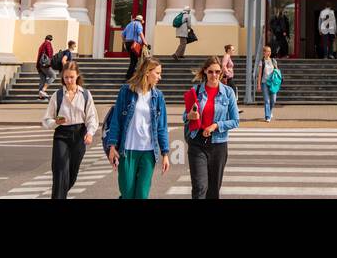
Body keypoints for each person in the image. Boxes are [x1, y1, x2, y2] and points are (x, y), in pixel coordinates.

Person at [103, 55, 170, 199]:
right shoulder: (126, 92)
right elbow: (116, 121)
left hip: (148, 152)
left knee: (142, 195)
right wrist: (112, 146)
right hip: (127, 151)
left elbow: (162, 127)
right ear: (147, 72)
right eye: (157, 73)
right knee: (127, 193)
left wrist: (165, 153)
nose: (160, 77)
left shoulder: (158, 96)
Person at [183, 56, 240, 199]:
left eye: (217, 72)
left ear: (221, 73)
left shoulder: (228, 92)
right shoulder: (195, 91)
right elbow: (185, 116)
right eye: (210, 72)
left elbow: (235, 120)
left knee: (214, 190)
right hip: (197, 142)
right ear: (205, 72)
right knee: (200, 187)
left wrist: (216, 125)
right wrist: (189, 116)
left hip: (218, 145)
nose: (214, 75)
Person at [43, 62, 99, 200]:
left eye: (71, 77)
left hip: (80, 135)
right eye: (66, 77)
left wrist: (90, 133)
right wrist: (56, 122)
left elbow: (92, 117)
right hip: (61, 135)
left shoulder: (85, 94)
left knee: (72, 175)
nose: (68, 80)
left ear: (77, 76)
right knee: (60, 172)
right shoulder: (57, 95)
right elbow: (46, 120)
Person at [258, 44, 282, 121]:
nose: (269, 53)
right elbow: (259, 74)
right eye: (267, 51)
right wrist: (258, 85)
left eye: (270, 51)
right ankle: (267, 116)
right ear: (264, 52)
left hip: (273, 83)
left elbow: (277, 72)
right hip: (264, 83)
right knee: (266, 100)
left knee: (273, 100)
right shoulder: (262, 62)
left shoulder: (273, 61)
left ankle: (270, 111)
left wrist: (278, 81)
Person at [121, 14, 146, 81]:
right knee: (135, 60)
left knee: (133, 60)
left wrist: (124, 42)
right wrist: (145, 42)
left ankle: (131, 75)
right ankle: (130, 76)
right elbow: (140, 33)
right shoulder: (139, 24)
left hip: (128, 43)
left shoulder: (129, 24)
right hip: (134, 44)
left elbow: (122, 34)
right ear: (141, 21)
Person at [36, 34, 56, 100]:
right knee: (53, 76)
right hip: (45, 65)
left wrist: (38, 66)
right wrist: (50, 63)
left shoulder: (42, 45)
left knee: (43, 80)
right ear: (51, 40)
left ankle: (40, 97)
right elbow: (49, 54)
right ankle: (43, 90)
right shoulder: (48, 44)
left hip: (39, 65)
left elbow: (39, 56)